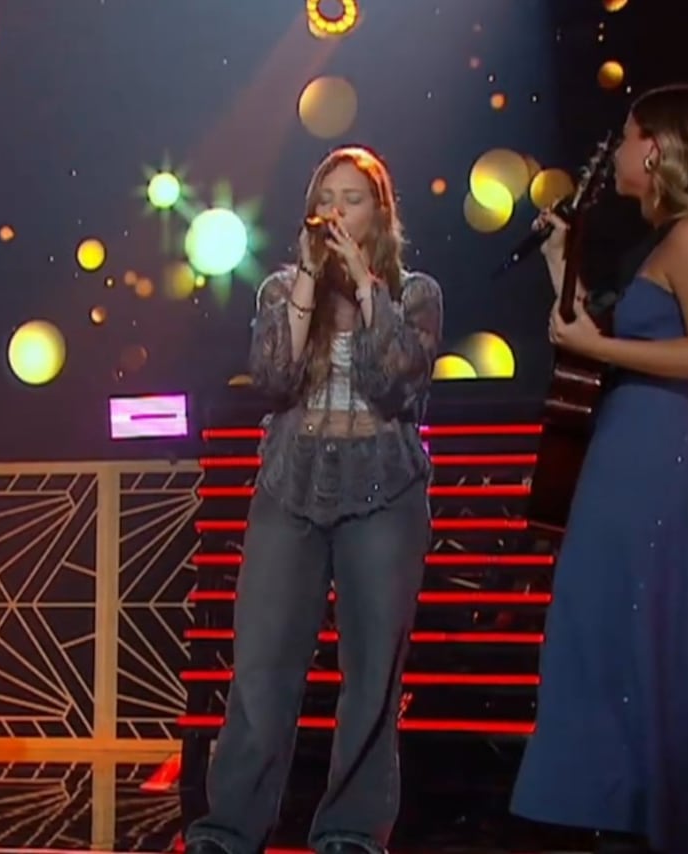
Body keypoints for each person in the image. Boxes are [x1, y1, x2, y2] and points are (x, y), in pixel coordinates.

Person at [509, 84, 688, 854]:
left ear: (656, 149)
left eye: (625, 136)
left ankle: (668, 821)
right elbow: (592, 342)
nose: (614, 150)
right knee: (608, 635)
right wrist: (562, 263)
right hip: (626, 450)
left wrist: (598, 346)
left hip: (660, 458)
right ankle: (624, 812)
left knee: (658, 644)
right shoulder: (659, 243)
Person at [183, 146, 443, 854]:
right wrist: (306, 278)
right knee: (261, 668)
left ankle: (352, 831)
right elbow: (272, 376)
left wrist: (365, 285)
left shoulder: (414, 293)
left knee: (371, 676)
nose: (335, 212)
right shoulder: (280, 289)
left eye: (351, 199)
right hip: (290, 487)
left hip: (383, 490)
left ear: (379, 214)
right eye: (325, 198)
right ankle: (229, 829)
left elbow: (396, 384)